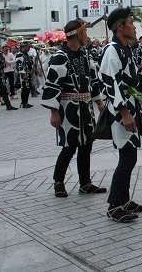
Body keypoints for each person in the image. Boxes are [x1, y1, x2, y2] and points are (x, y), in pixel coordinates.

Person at [42, 20, 107, 199]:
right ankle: (58, 182)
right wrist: (54, 112)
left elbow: (93, 80)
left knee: (86, 146)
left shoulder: (85, 55)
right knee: (69, 147)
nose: (87, 36)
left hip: (86, 107)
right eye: (84, 32)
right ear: (77, 35)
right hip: (68, 108)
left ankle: (85, 183)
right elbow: (52, 85)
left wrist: (100, 103)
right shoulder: (60, 57)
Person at [99, 8, 142, 223]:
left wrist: (140, 109)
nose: (134, 27)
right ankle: (114, 205)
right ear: (120, 27)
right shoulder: (112, 50)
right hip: (120, 113)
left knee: (130, 156)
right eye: (131, 23)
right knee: (127, 157)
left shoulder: (125, 48)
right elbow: (112, 84)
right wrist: (126, 114)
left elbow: (129, 83)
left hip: (130, 108)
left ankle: (124, 199)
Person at [14, 42, 35, 108]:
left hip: (28, 73)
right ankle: (23, 103)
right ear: (23, 47)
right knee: (24, 88)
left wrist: (31, 70)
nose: (28, 48)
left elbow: (29, 63)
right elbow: (19, 65)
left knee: (28, 88)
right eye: (27, 46)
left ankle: (26, 102)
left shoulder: (26, 54)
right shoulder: (19, 54)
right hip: (23, 74)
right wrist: (23, 74)